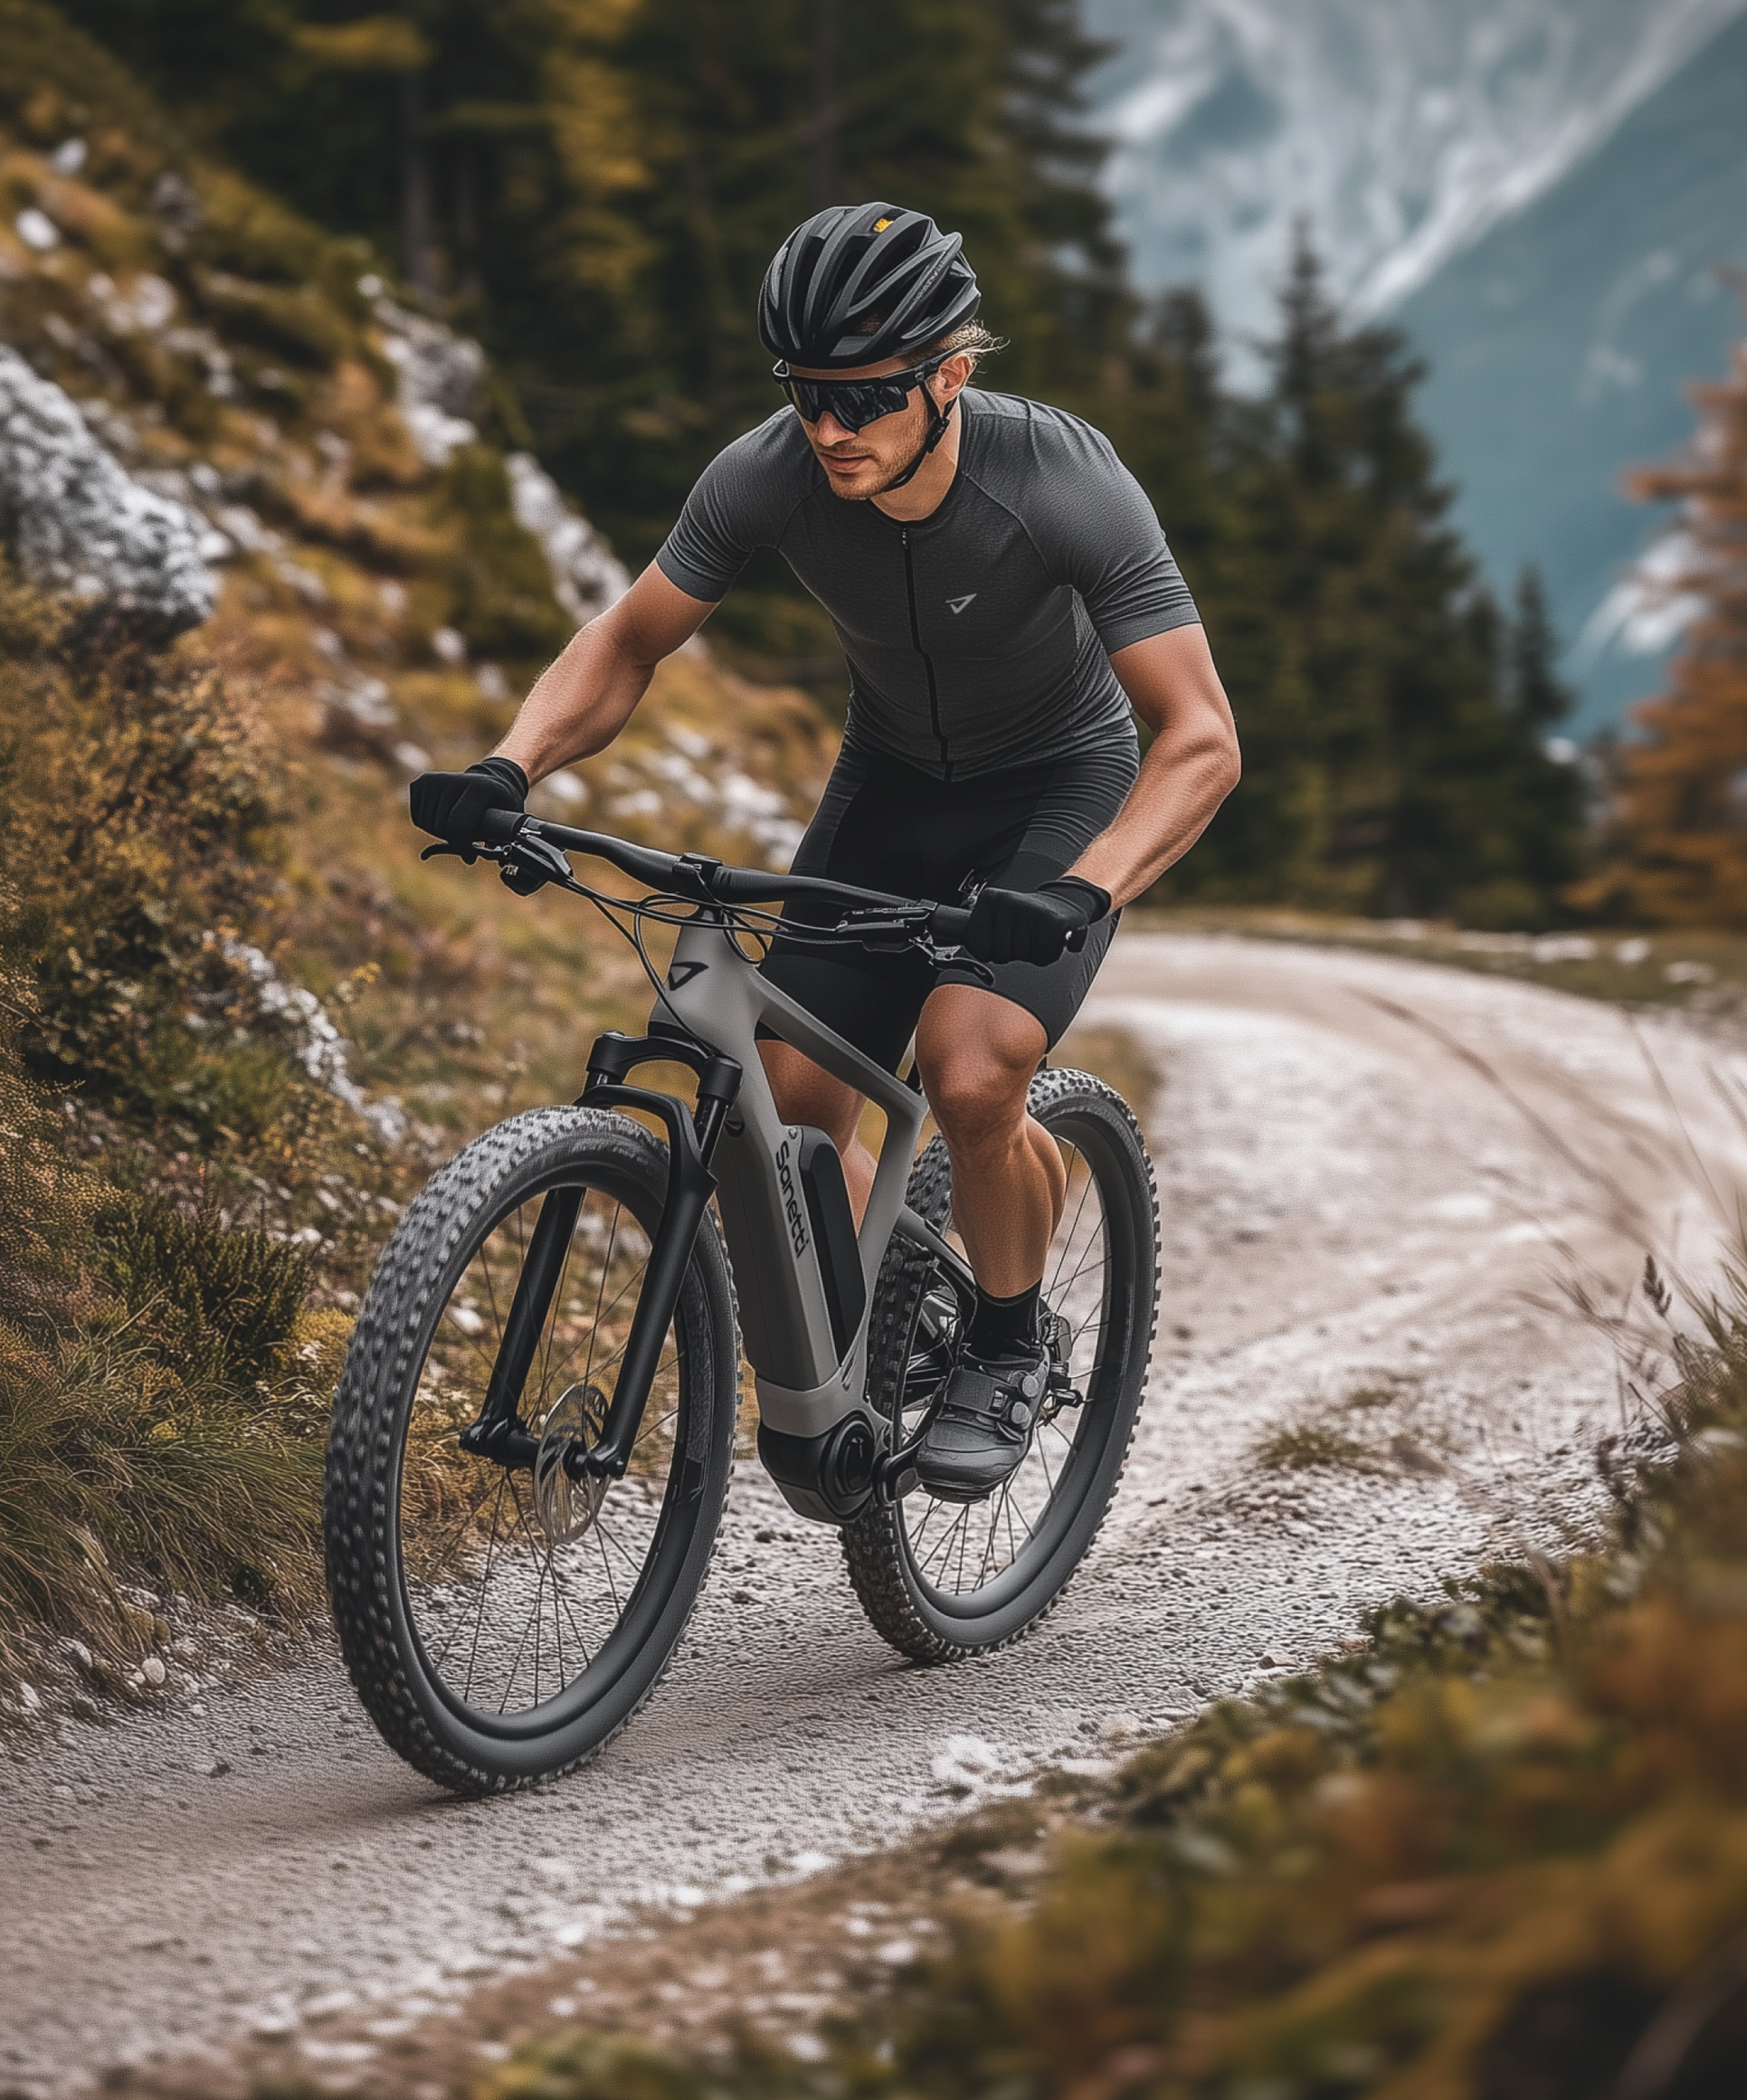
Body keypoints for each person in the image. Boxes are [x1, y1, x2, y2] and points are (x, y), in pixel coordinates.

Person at [412, 202, 1239, 1502]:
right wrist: (509, 767)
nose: (829, 430)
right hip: (894, 784)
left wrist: (1083, 887)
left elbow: (1201, 738)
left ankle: (1013, 1343)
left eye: (862, 398)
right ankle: (913, 1291)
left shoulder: (1060, 479)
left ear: (949, 376)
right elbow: (628, 642)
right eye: (806, 394)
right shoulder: (768, 473)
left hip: (1057, 789)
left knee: (971, 1073)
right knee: (788, 1105)